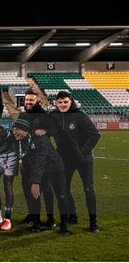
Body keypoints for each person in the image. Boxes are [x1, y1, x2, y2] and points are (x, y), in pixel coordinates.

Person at [49, 91, 101, 232]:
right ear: (56, 103)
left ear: (70, 101)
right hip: (65, 160)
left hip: (84, 160)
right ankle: (71, 218)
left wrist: (82, 152)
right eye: (60, 102)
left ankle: (93, 223)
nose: (63, 105)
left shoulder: (80, 116)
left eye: (65, 102)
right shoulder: (53, 116)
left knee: (88, 189)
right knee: (64, 190)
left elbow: (95, 135)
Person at [12, 117, 70, 235]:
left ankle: (64, 226)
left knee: (61, 195)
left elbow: (40, 160)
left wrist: (35, 182)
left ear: (25, 129)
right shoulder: (21, 138)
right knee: (35, 195)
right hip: (40, 168)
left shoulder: (40, 138)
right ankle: (37, 223)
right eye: (13, 129)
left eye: (17, 129)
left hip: (55, 168)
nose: (14, 132)